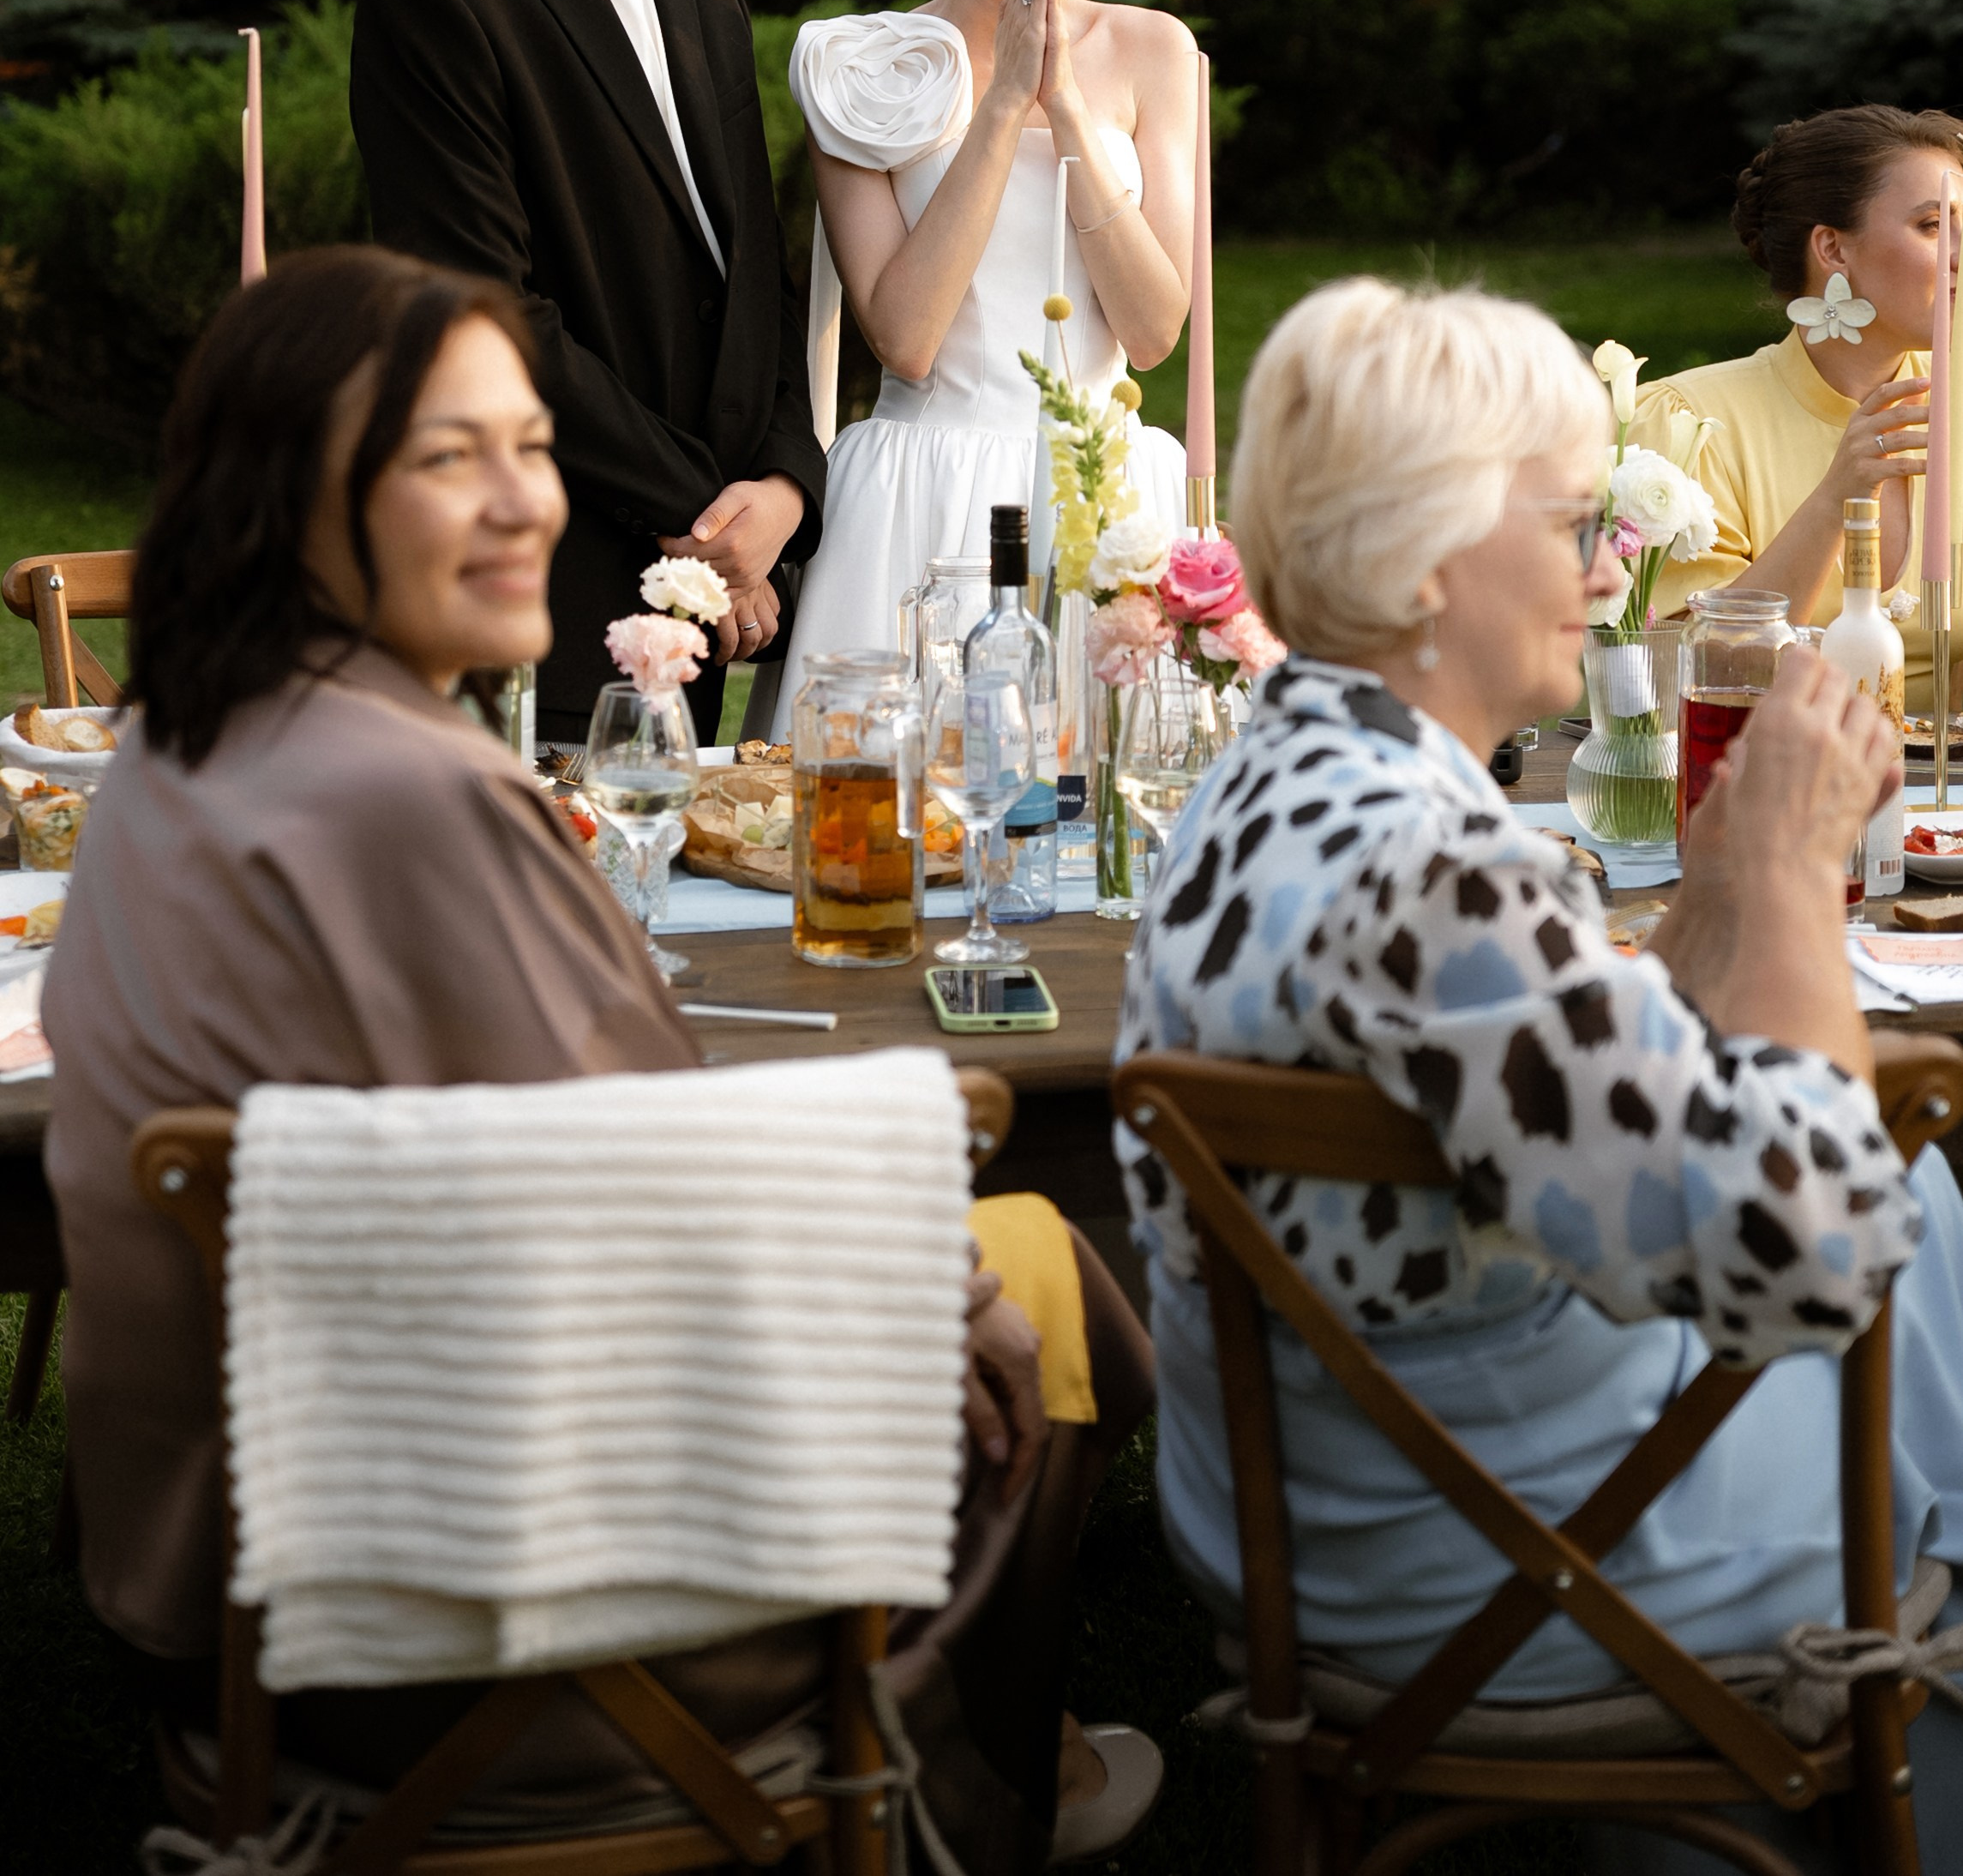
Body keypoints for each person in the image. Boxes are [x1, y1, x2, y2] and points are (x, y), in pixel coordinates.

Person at [43, 248, 1158, 1870]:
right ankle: (954, 1785)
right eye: (449, 457)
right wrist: (930, 1271)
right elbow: (649, 1175)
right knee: (1048, 1288)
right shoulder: (415, 800)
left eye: (530, 444)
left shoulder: (177, 750)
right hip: (486, 1598)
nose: (528, 501)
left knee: (1026, 1277)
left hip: (230, 1570)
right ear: (288, 492)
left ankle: (988, 1758)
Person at [1115, 277, 1963, 1855]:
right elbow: (1817, 1248)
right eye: (1573, 523)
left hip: (1328, 1506)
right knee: (1924, 1223)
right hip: (1507, 1559)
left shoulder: (1267, 786)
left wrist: (1717, 890)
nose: (1605, 568)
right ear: (1426, 555)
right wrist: (1793, 871)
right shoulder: (1436, 872)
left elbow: (1576, 1082)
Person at [349, 0, 825, 747]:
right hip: (545, 598)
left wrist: (784, 488)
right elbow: (486, 316)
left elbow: (754, 276)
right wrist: (701, 520)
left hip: (698, 604)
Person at [773, 0, 1195, 729]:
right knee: (898, 796)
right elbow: (906, 339)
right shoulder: (858, 66)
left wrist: (1069, 107)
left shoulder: (1153, 50)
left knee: (1114, 797)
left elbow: (1152, 331)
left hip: (1103, 490)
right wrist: (1003, 103)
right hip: (923, 492)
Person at [1628, 103, 1961, 710]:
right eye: (1933, 225)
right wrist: (1836, 496)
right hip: (1759, 761)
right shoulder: (1689, 423)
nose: (1958, 251)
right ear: (1833, 248)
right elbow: (1681, 678)